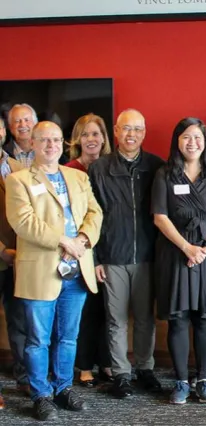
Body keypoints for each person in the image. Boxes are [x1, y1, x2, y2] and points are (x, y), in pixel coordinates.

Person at [5, 121, 103, 421]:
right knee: (38, 339)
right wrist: (64, 241)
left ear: (64, 144)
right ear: (32, 143)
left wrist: (83, 240)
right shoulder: (18, 180)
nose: (51, 145)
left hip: (77, 269)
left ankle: (62, 388)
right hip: (41, 270)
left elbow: (94, 212)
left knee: (69, 336)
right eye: (44, 140)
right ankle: (41, 395)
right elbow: (23, 221)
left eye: (56, 140)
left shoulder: (77, 176)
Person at [152, 118, 206, 404]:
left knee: (205, 319)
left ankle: (203, 381)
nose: (192, 142)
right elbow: (160, 217)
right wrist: (187, 248)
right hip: (175, 252)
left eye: (197, 137)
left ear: (205, 141)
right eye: (186, 137)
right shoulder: (165, 174)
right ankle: (181, 382)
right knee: (178, 319)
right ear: (177, 141)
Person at [88, 109, 165, 399]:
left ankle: (145, 368)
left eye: (137, 129)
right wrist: (95, 258)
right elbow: (90, 217)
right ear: (116, 132)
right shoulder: (99, 169)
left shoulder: (157, 166)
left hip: (148, 256)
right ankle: (121, 374)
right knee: (116, 319)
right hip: (112, 256)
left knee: (146, 318)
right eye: (126, 129)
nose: (132, 134)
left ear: (144, 133)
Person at [65, 114, 113, 387]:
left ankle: (106, 362)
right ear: (77, 140)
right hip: (81, 249)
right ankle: (84, 365)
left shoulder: (110, 167)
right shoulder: (69, 170)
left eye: (96, 134)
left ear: (104, 138)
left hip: (110, 248)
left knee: (109, 310)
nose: (91, 139)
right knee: (86, 310)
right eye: (85, 134)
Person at [0, 116, 25, 408]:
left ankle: (24, 378)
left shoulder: (17, 167)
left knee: (20, 322)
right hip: (4, 254)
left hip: (20, 260)